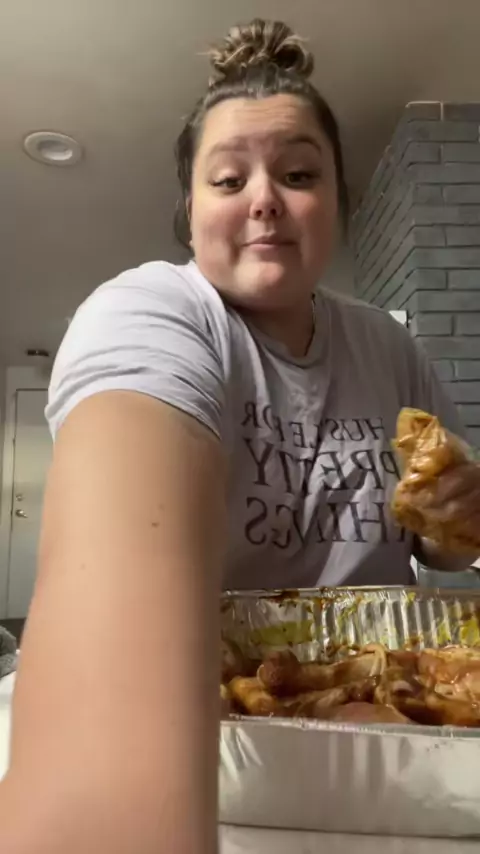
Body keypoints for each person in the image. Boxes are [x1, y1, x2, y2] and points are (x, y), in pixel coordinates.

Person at [1, 17, 479, 854]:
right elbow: (112, 681)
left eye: (299, 174)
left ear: (337, 203)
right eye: (228, 180)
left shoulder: (388, 347)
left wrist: (457, 514)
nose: (264, 198)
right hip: (220, 759)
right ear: (188, 213)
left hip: (400, 744)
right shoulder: (152, 316)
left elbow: (444, 549)